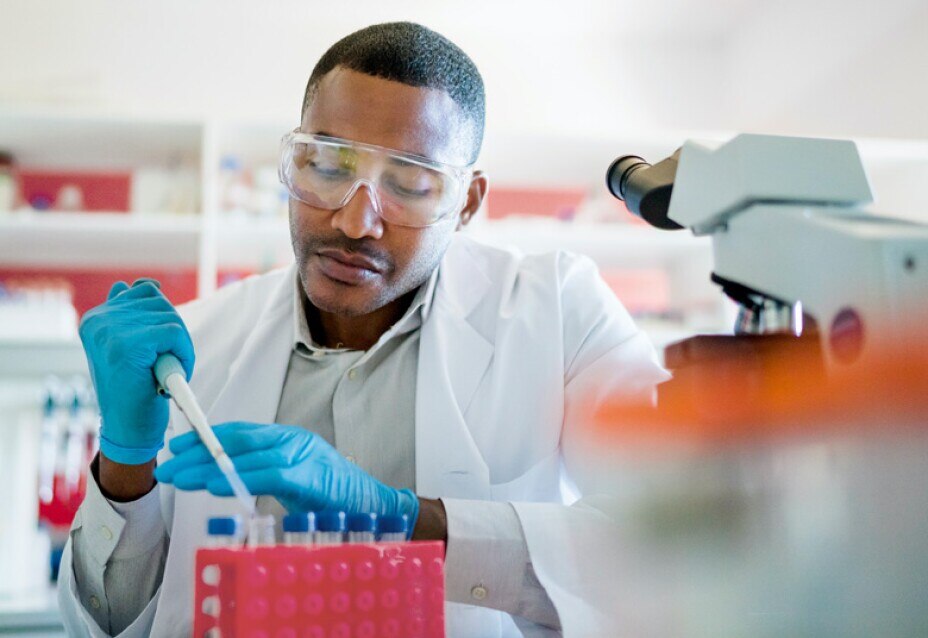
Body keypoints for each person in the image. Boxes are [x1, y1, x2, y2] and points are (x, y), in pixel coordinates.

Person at [59, 22, 668, 637]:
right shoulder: (196, 345)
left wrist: (402, 519)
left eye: (408, 184)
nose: (355, 221)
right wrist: (124, 461)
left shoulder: (557, 310)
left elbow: (674, 543)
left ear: (466, 204)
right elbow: (104, 626)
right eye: (325, 166)